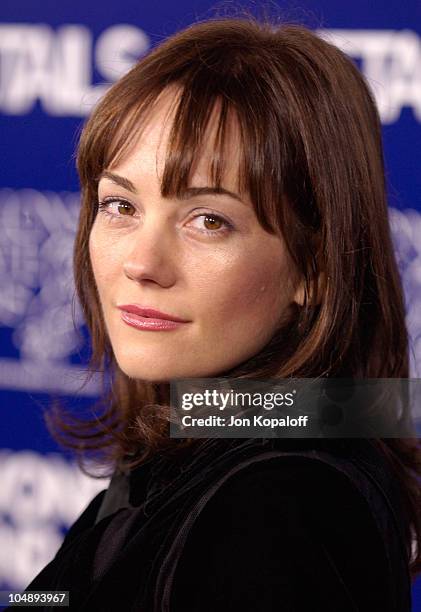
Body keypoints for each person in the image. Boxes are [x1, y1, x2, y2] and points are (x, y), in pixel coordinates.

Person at [13, 15, 421, 611]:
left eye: (209, 220)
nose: (141, 263)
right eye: (120, 204)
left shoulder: (277, 506)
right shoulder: (205, 432)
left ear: (316, 268)